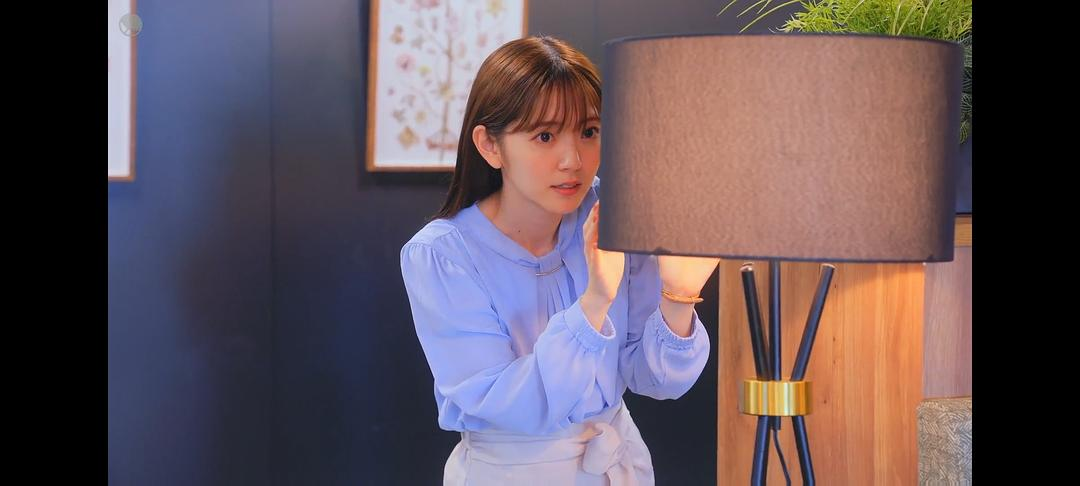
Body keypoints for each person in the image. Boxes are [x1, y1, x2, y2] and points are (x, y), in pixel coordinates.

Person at [400, 35, 721, 485]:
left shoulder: (613, 213)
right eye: (545, 136)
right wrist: (594, 303)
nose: (573, 160)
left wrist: (679, 295)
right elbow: (508, 403)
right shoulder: (443, 256)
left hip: (615, 468)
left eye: (589, 132)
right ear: (490, 145)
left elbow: (656, 379)